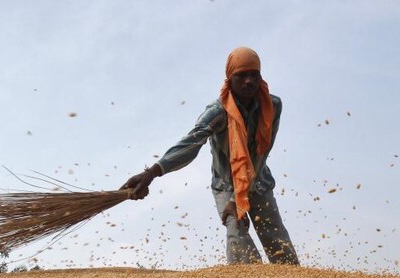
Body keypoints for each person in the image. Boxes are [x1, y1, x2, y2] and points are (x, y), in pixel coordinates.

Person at [121, 47, 299, 265]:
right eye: (242, 75)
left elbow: (262, 153)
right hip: (226, 184)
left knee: (274, 236)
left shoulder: (271, 106)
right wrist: (151, 173)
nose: (249, 81)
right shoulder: (218, 112)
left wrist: (239, 198)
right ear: (229, 79)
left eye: (254, 75)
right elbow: (191, 143)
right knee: (236, 228)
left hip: (258, 179)